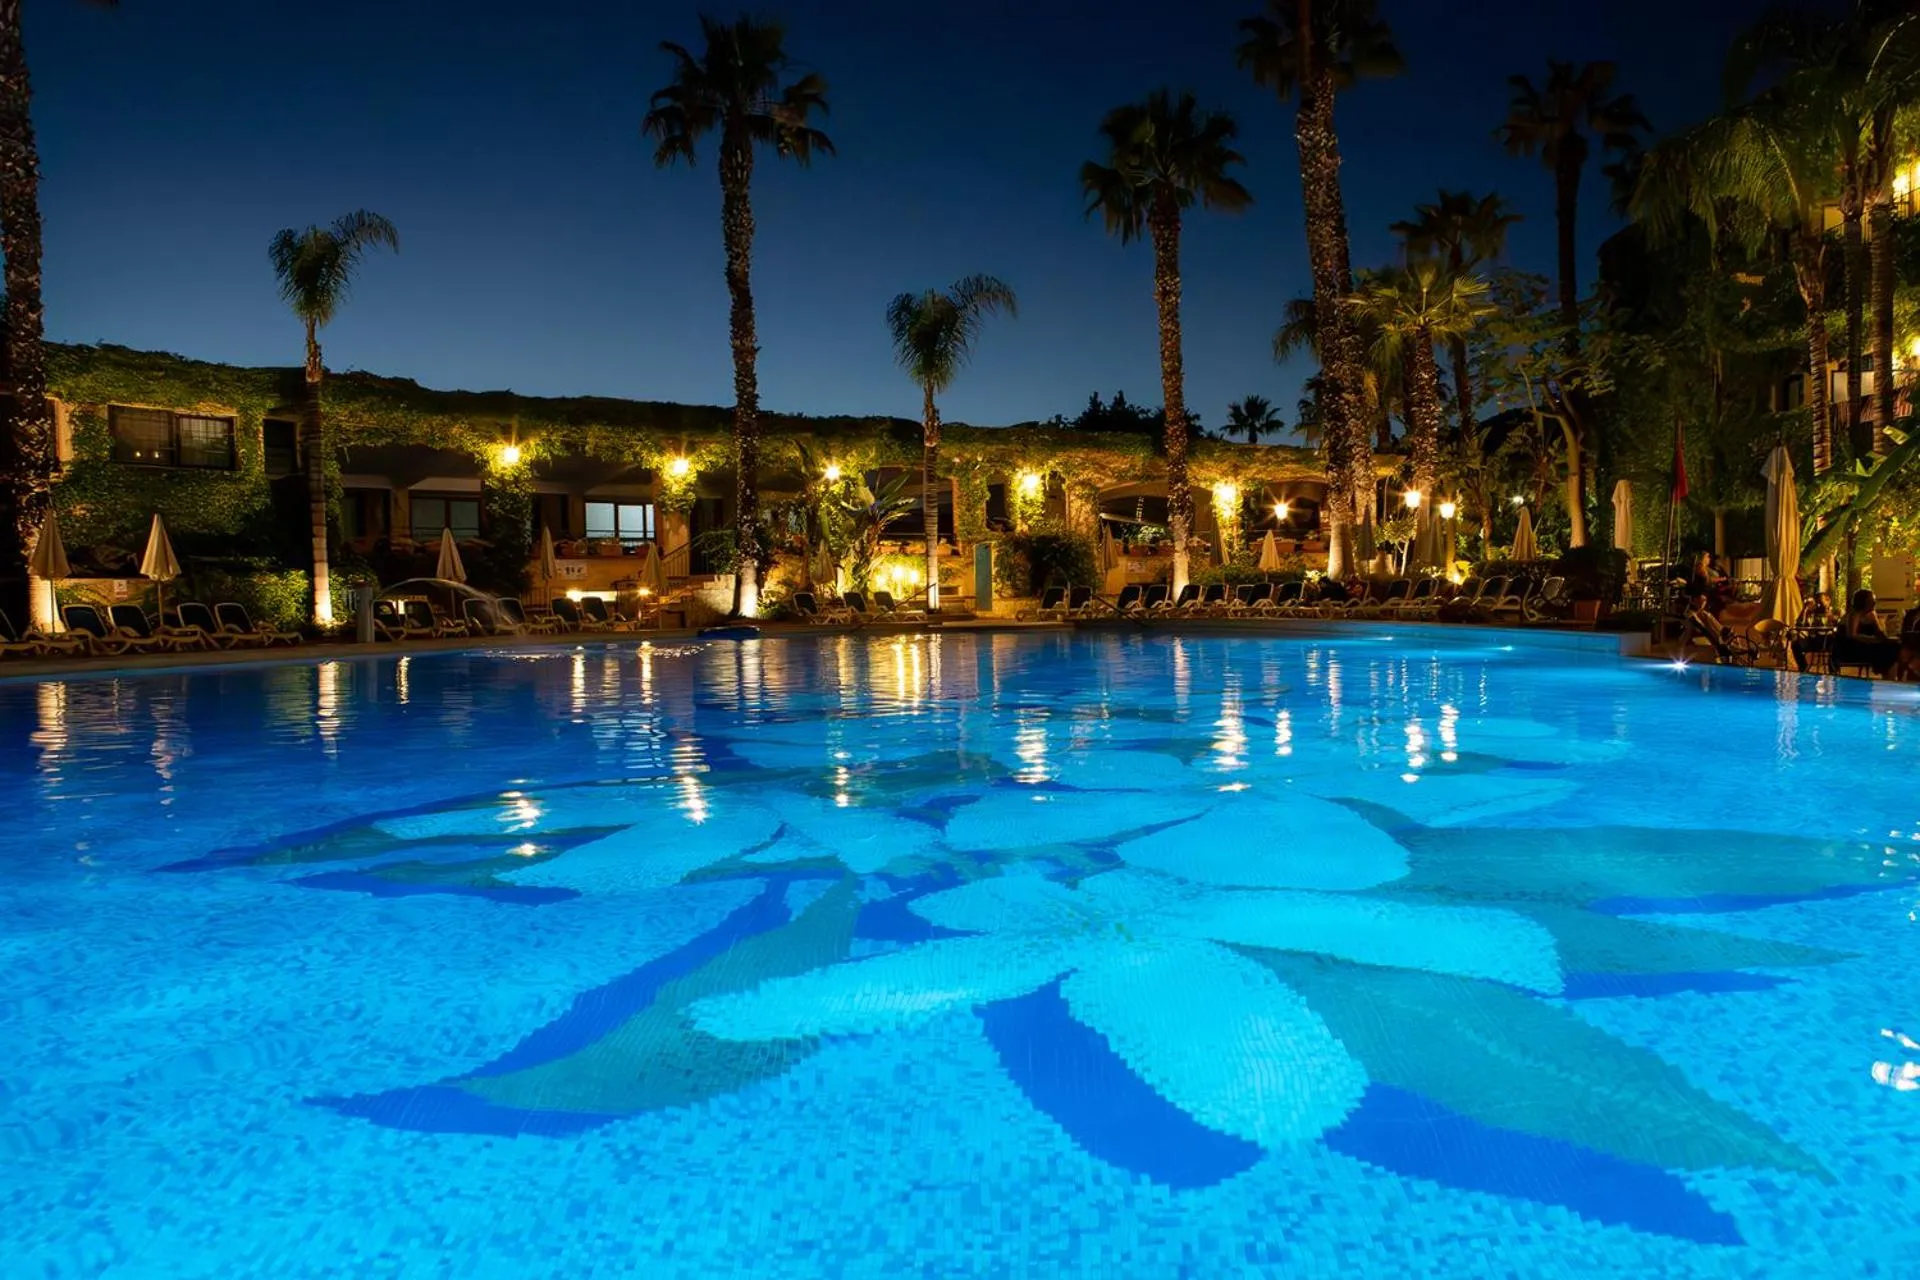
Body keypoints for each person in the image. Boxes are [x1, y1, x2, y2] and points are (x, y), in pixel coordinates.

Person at [1839, 589, 1903, 677]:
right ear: (1863, 602)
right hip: (1853, 648)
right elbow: (1852, 635)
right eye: (1871, 600)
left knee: (1895, 646)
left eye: (1874, 600)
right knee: (1888, 650)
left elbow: (1878, 633)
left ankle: (1890, 676)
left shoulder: (1872, 614)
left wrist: (1888, 639)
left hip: (1869, 646)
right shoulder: (1854, 614)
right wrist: (1873, 640)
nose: (1874, 602)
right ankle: (1888, 676)